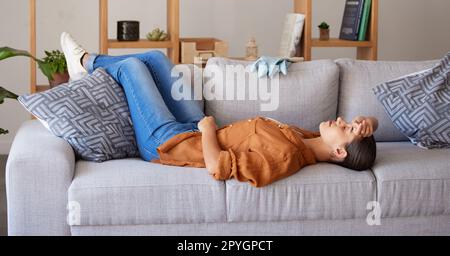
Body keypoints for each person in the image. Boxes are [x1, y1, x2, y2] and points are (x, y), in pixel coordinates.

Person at [61, 32, 378, 187]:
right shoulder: (305, 139)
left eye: (346, 128)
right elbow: (365, 129)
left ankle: (84, 63)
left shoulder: (287, 157)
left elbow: (219, 167)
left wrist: (208, 130)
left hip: (170, 143)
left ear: (338, 152)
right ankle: (86, 66)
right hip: (194, 126)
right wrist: (368, 123)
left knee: (133, 67)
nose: (341, 120)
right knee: (157, 59)